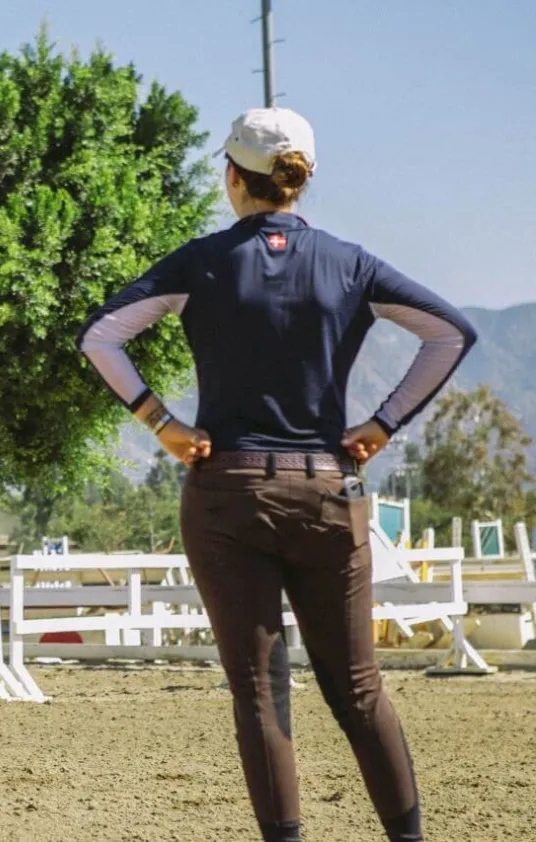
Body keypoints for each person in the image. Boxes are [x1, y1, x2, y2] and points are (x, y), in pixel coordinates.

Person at [77, 107, 477, 842]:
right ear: (303, 178)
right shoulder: (351, 264)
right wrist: (383, 424)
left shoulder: (200, 261)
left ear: (232, 176)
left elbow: (101, 335)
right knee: (358, 691)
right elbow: (451, 331)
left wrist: (160, 423)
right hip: (328, 488)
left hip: (227, 492)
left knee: (261, 695)